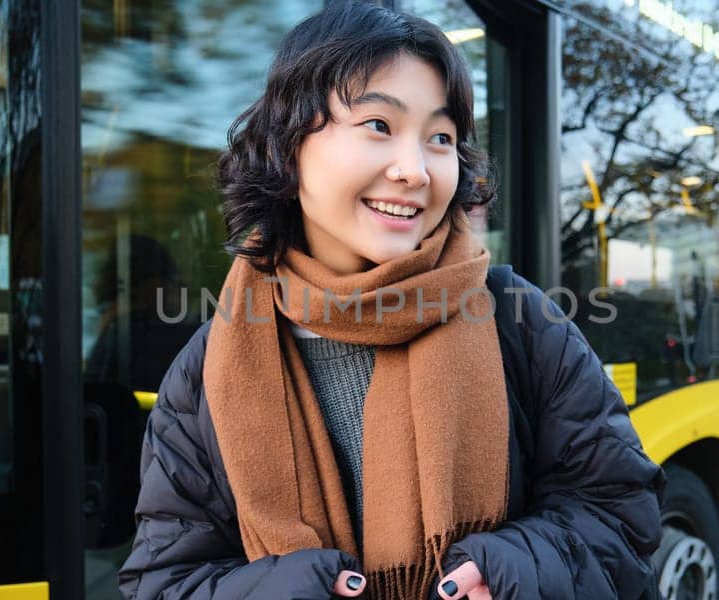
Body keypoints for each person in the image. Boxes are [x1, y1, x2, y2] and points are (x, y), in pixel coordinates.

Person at [117, 2, 665, 598]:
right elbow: (165, 579)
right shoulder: (209, 367)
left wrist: (513, 572)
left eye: (440, 138)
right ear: (288, 145)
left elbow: (618, 514)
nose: (415, 169)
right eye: (379, 125)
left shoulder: (521, 321)